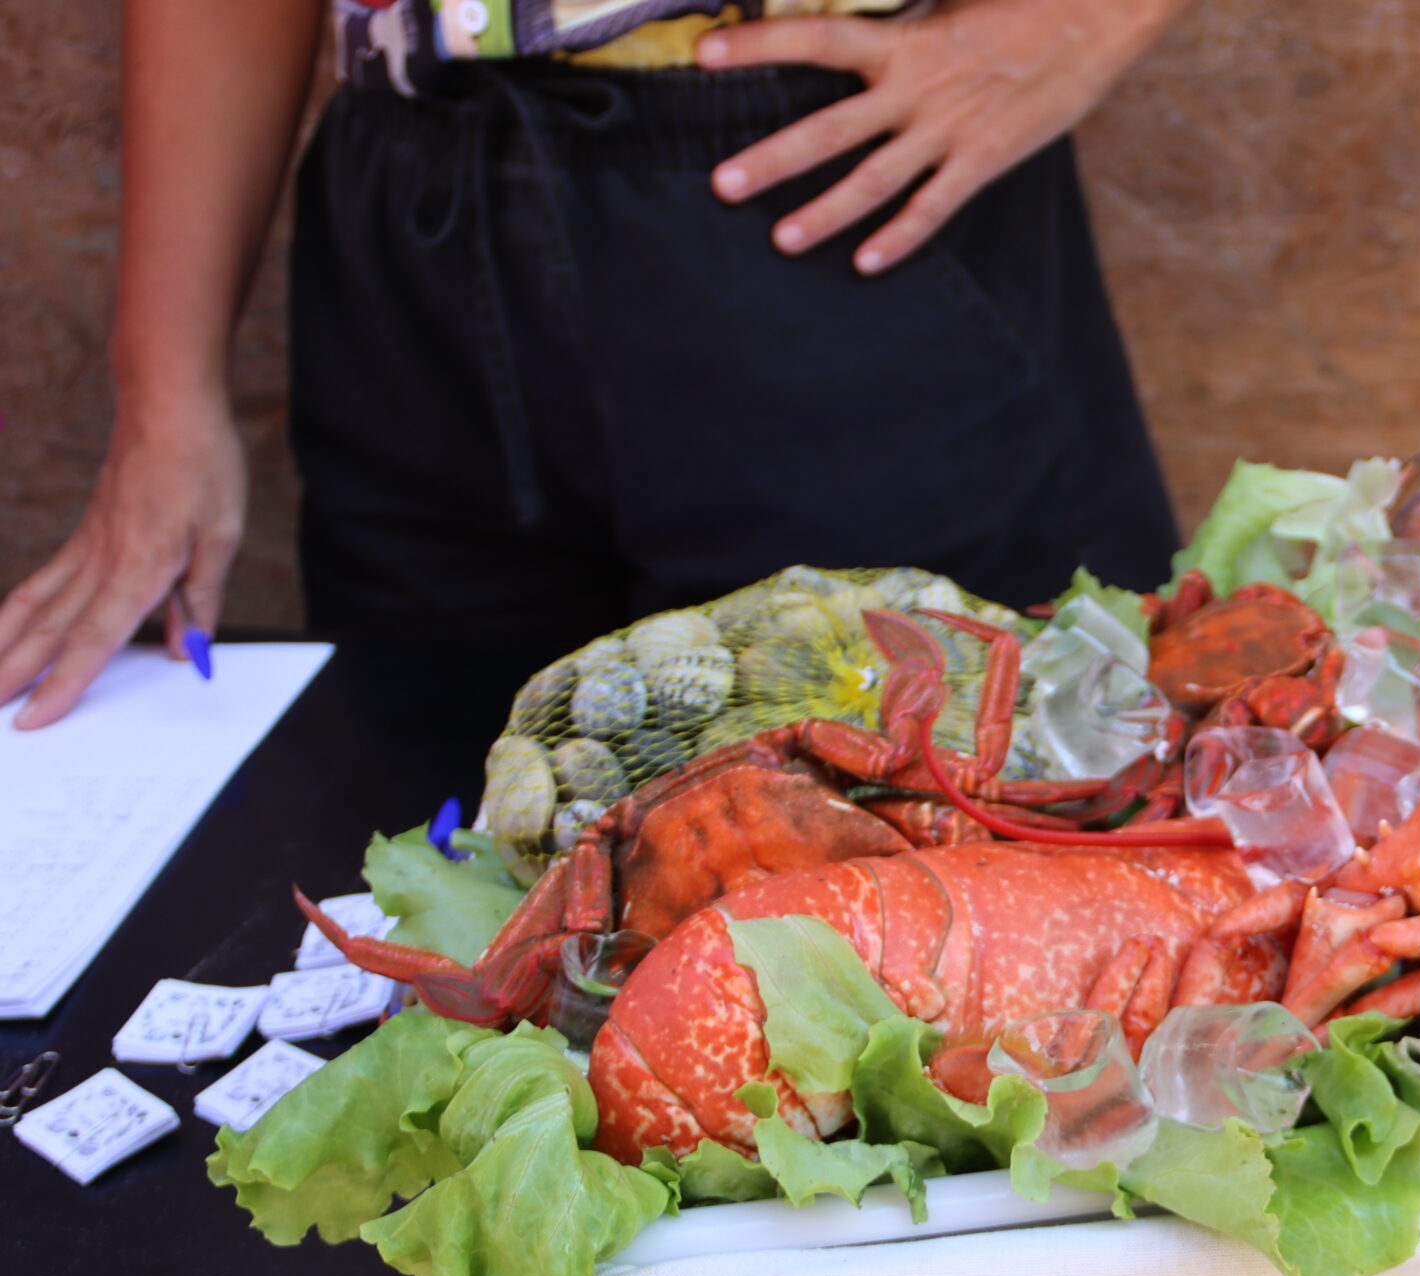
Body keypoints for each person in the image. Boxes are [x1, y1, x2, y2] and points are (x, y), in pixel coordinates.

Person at [0, 0, 1192, 730]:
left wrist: (1083, 19)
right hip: (411, 257)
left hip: (829, 209)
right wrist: (163, 390)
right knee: (447, 894)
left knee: (935, 926)